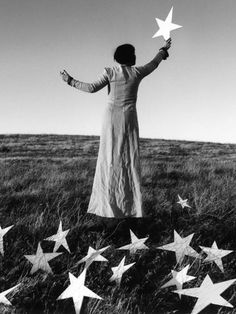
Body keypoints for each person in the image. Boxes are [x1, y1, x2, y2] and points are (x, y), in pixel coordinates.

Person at [60, 38, 171, 222]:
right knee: (128, 158)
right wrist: (163, 50)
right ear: (130, 57)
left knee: (108, 158)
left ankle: (107, 204)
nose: (136, 56)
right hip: (128, 119)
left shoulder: (110, 72)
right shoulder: (137, 72)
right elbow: (154, 63)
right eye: (134, 54)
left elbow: (91, 88)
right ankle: (128, 207)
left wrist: (70, 81)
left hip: (111, 119)